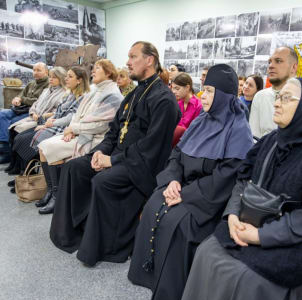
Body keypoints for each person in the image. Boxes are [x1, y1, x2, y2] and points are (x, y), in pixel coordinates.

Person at [178, 78, 302, 300]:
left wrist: (261, 235)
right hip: (254, 217)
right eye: (278, 97)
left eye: (287, 98)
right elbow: (242, 178)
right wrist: (232, 214)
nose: (277, 104)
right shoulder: (273, 139)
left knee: (246, 278)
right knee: (207, 251)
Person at [128, 64, 254, 300]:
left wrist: (185, 194)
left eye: (208, 91)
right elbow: (177, 154)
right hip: (182, 186)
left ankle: (169, 290)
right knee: (155, 203)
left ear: (225, 96)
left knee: (180, 222)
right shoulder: (201, 121)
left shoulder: (238, 128)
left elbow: (226, 177)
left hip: (208, 198)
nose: (202, 96)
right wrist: (172, 181)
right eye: (202, 90)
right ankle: (148, 275)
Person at [49, 41, 180, 267]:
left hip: (143, 166)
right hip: (119, 156)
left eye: (132, 57)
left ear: (149, 60)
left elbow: (151, 146)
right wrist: (100, 152)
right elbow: (114, 131)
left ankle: (104, 246)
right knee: (74, 168)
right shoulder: (133, 94)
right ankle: (75, 233)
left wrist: (113, 160)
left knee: (103, 180)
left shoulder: (164, 99)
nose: (127, 62)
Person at [37, 59, 122, 215]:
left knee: (48, 147)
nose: (93, 71)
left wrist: (74, 129)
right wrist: (71, 128)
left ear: (109, 72)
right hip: (80, 132)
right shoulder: (95, 90)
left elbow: (101, 125)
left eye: (97, 68)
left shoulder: (113, 95)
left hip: (94, 138)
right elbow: (77, 114)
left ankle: (57, 197)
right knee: (43, 147)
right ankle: (51, 191)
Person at [12, 67, 90, 207]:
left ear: (79, 81)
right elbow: (53, 111)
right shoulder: (69, 94)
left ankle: (54, 192)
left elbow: (70, 118)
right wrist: (46, 120)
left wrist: (50, 122)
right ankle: (48, 189)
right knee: (24, 137)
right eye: (66, 76)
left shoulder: (82, 96)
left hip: (63, 127)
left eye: (70, 77)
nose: (66, 79)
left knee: (37, 143)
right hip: (54, 123)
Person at [5, 67, 67, 177]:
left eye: (54, 77)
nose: (51, 79)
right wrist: (33, 113)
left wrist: (42, 116)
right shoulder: (46, 90)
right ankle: (16, 166)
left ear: (61, 79)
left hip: (43, 120)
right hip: (35, 117)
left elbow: (58, 112)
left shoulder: (63, 93)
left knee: (22, 138)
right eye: (50, 77)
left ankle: (27, 173)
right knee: (13, 129)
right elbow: (35, 104)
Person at [0, 62, 49, 164]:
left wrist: (22, 99)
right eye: (34, 70)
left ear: (46, 72)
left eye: (39, 70)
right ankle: (4, 147)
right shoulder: (31, 83)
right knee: (2, 114)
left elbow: (37, 101)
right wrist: (17, 99)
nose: (35, 73)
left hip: (31, 112)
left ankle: (7, 152)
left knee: (13, 122)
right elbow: (20, 95)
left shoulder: (48, 85)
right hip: (20, 108)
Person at [249, 47, 297, 138]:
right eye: (269, 62)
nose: (271, 66)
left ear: (293, 67)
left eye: (278, 61)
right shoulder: (260, 97)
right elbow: (254, 137)